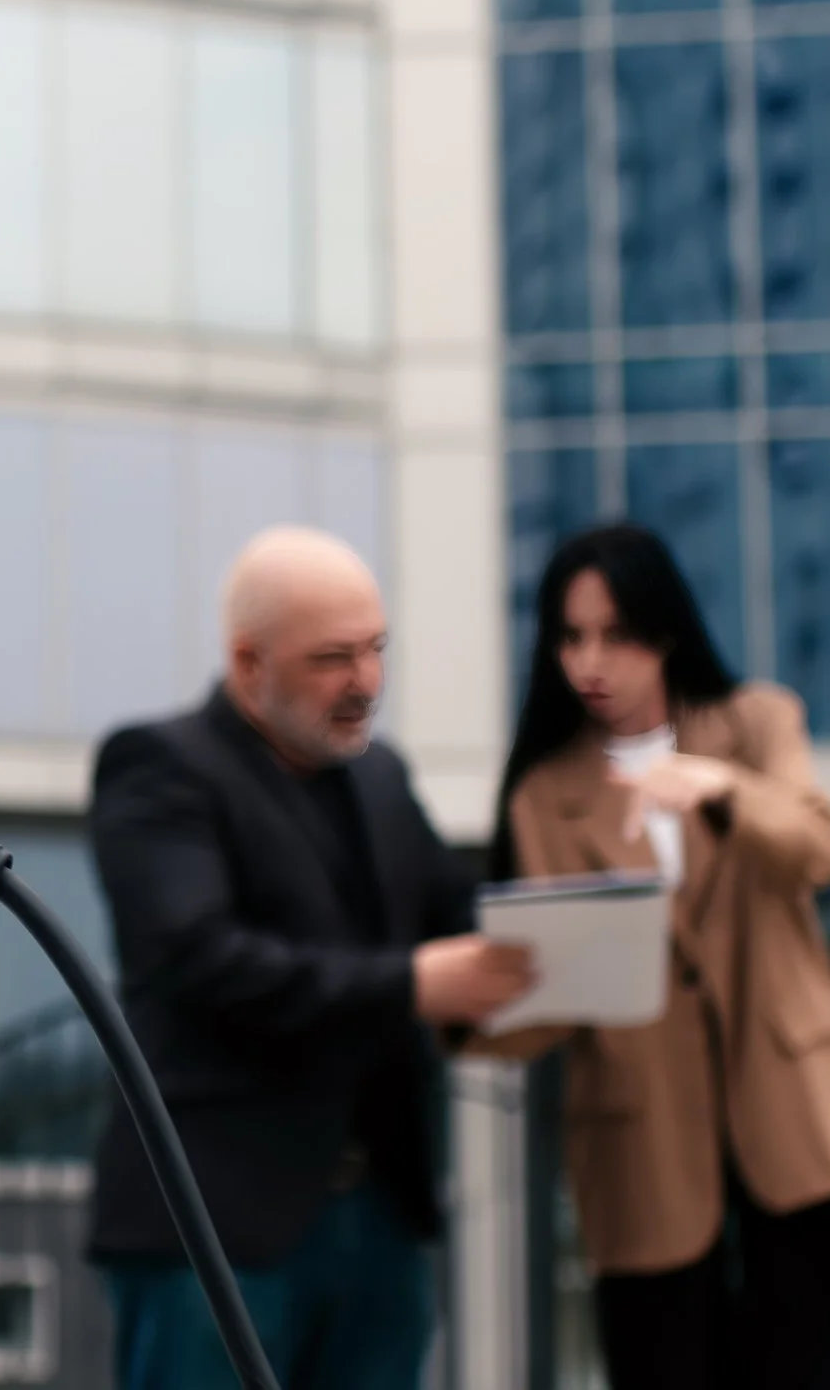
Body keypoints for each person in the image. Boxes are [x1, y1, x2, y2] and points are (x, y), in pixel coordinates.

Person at [87, 525, 537, 1390]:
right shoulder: (159, 767)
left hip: (381, 1220)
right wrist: (414, 983)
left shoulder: (380, 776)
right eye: (333, 658)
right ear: (248, 664)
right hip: (215, 1229)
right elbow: (197, 957)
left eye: (376, 650)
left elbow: (457, 915)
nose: (367, 682)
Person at [474, 523, 830, 1390]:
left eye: (615, 634)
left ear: (663, 630)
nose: (591, 661)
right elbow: (547, 984)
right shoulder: (544, 790)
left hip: (795, 1116)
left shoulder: (757, 722)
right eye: (571, 635)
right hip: (642, 1138)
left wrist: (722, 786)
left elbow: (818, 849)